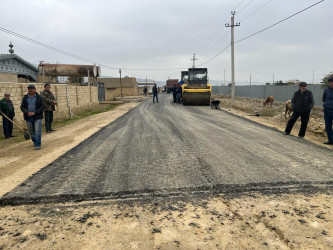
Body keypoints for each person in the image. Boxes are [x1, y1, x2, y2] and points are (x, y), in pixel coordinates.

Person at [20, 85, 45, 150]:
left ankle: (38, 144)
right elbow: (22, 107)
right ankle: (34, 141)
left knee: (37, 131)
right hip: (28, 117)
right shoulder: (25, 98)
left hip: (37, 117)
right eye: (29, 89)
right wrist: (27, 112)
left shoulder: (40, 97)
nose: (30, 90)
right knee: (31, 132)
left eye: (31, 89)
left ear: (35, 89)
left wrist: (35, 112)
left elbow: (42, 107)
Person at [323, 76, 333, 145]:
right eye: (330, 82)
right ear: (329, 83)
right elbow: (324, 99)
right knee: (328, 126)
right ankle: (331, 140)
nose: (332, 83)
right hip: (327, 110)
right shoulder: (326, 90)